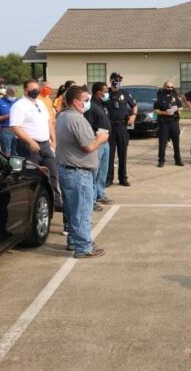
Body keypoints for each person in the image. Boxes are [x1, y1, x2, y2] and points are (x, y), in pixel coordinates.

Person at [56, 86, 109, 258]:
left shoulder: (62, 116)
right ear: (75, 102)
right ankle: (83, 247)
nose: (88, 103)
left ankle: (74, 240)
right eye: (85, 100)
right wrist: (100, 139)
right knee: (82, 211)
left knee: (72, 210)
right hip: (78, 172)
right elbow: (88, 147)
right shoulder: (76, 119)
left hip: (67, 170)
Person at [10, 79, 63, 213]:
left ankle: (56, 202)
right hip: (29, 146)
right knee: (34, 177)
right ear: (25, 90)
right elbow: (15, 127)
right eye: (32, 89)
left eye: (36, 89)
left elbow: (48, 122)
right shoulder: (19, 106)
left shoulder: (40, 103)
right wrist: (30, 141)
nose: (35, 91)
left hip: (45, 145)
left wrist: (54, 139)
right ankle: (34, 206)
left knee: (53, 173)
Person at [84, 82, 113, 211]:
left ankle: (100, 194)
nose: (107, 94)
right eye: (105, 91)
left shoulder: (103, 104)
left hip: (106, 142)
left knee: (103, 170)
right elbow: (89, 125)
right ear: (98, 92)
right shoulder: (91, 106)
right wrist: (96, 136)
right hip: (97, 143)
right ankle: (92, 199)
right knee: (94, 172)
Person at [105, 72, 137, 186]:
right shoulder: (106, 94)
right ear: (110, 80)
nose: (117, 82)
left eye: (119, 80)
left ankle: (123, 178)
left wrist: (133, 115)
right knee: (110, 155)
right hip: (110, 127)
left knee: (123, 154)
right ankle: (109, 178)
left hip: (122, 127)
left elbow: (134, 105)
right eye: (115, 79)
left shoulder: (125, 93)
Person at [154, 80, 184, 167]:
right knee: (162, 143)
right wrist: (164, 112)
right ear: (164, 88)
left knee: (176, 142)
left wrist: (174, 109)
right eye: (168, 87)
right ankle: (161, 160)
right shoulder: (160, 98)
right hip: (164, 123)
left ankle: (178, 160)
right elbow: (155, 110)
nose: (170, 88)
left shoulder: (175, 96)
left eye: (171, 87)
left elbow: (181, 107)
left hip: (174, 122)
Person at [0, 85, 18, 156]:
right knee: (5, 154)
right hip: (6, 131)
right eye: (11, 95)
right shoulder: (0, 102)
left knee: (17, 154)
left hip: (18, 131)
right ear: (7, 93)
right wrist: (8, 116)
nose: (13, 97)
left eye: (14, 95)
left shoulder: (17, 101)